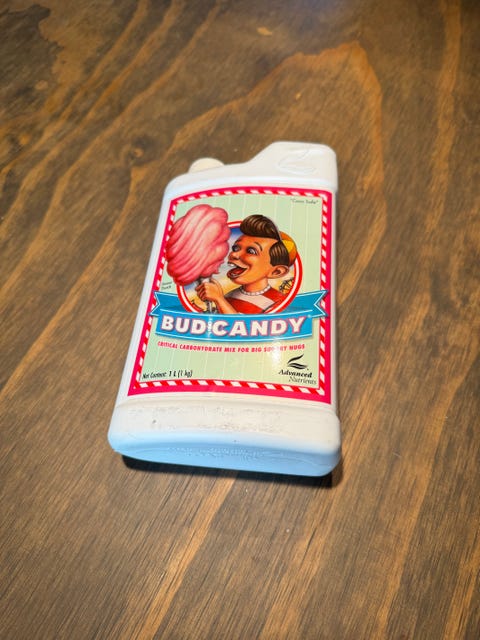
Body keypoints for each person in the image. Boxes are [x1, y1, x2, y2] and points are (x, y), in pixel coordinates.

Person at [195, 214, 296, 314]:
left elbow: (241, 323)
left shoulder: (278, 302)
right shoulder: (230, 296)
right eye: (236, 248)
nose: (234, 254)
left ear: (276, 271)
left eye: (251, 251)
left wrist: (219, 300)